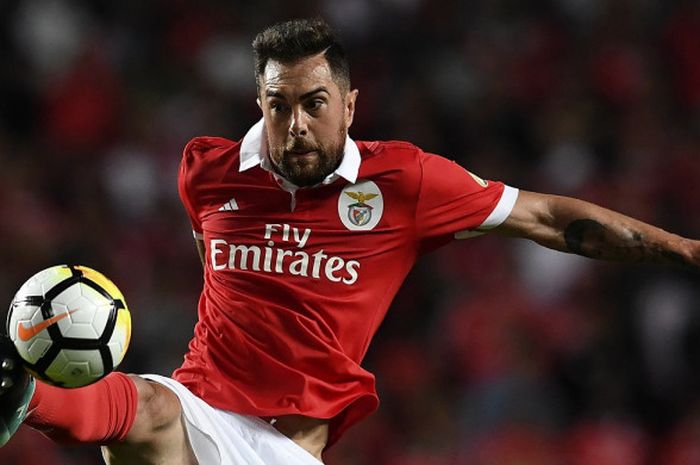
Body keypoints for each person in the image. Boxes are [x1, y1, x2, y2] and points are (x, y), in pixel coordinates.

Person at [1, 17, 699, 465]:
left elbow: (548, 218)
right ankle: (23, 401)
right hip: (201, 408)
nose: (296, 123)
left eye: (314, 103)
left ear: (350, 105)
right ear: (260, 105)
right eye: (279, 106)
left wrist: (686, 251)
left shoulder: (406, 181)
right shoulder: (207, 172)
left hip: (284, 449)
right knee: (145, 409)